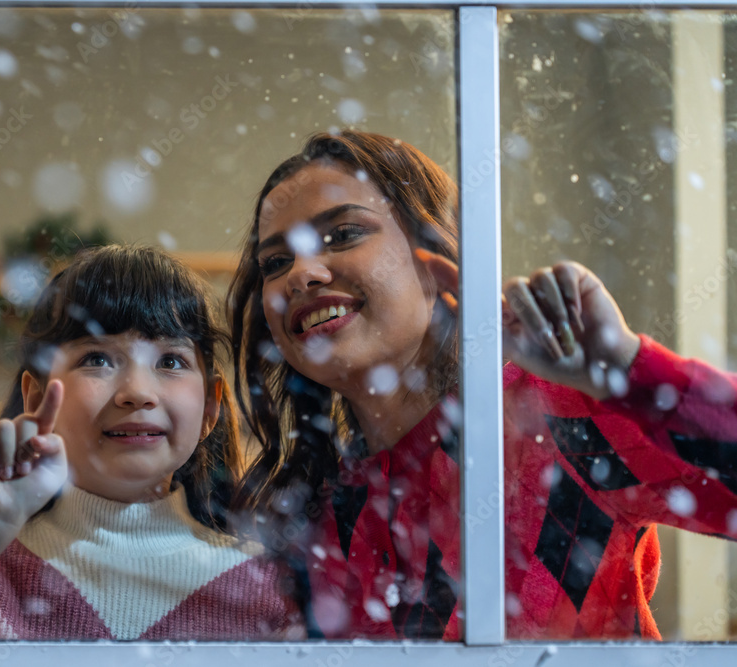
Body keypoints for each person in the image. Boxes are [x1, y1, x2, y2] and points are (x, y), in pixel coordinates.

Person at [228, 130, 737, 641]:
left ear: (436, 254)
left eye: (343, 234)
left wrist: (631, 372)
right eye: (276, 262)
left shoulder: (557, 416)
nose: (302, 274)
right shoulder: (315, 512)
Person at [0, 244, 303, 640]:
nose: (137, 392)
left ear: (211, 407)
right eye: (98, 359)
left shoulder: (268, 590)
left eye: (170, 360)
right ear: (35, 397)